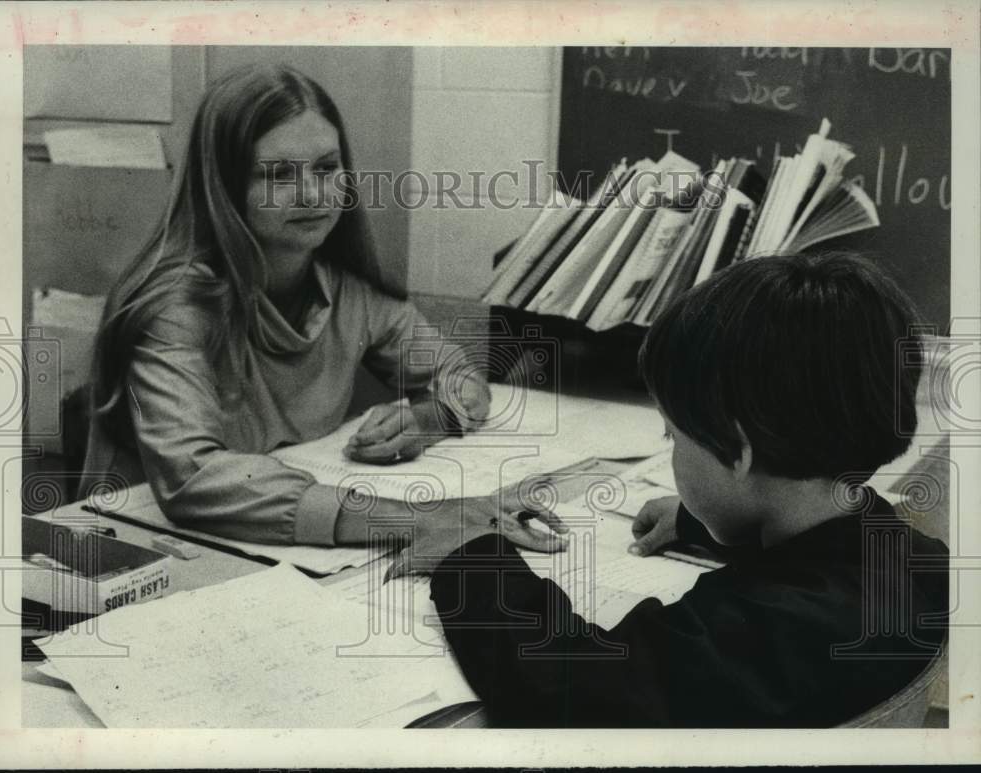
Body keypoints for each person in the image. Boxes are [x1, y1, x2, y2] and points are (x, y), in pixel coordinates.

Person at [387, 253, 949, 727]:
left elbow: (566, 686)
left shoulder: (753, 633)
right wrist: (700, 522)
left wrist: (473, 559)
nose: (672, 451)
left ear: (737, 450)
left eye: (673, 437)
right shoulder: (918, 560)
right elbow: (816, 559)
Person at [79, 64, 555, 549]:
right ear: (222, 187)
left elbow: (461, 380)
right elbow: (193, 478)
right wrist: (421, 517)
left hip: (274, 550)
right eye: (278, 174)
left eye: (326, 168)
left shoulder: (347, 287)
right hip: (135, 552)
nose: (313, 194)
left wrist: (429, 421)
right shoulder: (174, 306)